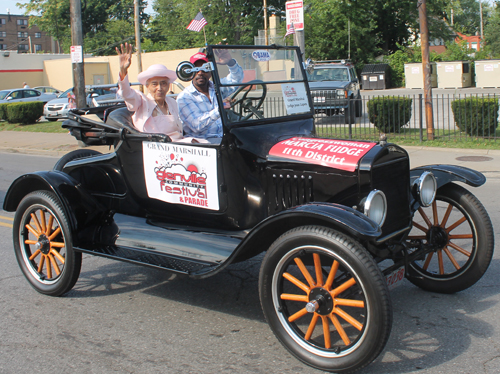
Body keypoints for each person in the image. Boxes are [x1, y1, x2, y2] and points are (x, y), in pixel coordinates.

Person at [116, 42, 204, 143]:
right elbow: (126, 93)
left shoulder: (172, 102)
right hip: (155, 146)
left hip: (178, 143)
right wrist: (123, 71)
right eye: (154, 84)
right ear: (147, 86)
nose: (160, 88)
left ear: (168, 85)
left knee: (207, 144)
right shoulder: (141, 101)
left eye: (163, 83)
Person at [177, 50, 244, 141]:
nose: (200, 72)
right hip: (202, 143)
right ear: (190, 72)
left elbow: (236, 79)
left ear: (210, 71)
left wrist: (230, 62)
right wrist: (220, 108)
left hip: (224, 138)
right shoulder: (184, 97)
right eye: (196, 69)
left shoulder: (216, 88)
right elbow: (197, 125)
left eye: (204, 68)